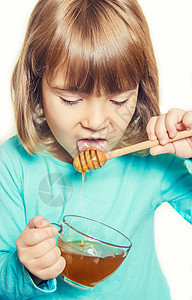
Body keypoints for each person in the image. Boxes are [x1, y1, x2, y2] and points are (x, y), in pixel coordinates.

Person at [0, 0, 191, 299]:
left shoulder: (154, 155)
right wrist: (24, 269)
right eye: (71, 100)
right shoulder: (12, 165)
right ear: (36, 84)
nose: (96, 122)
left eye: (118, 101)